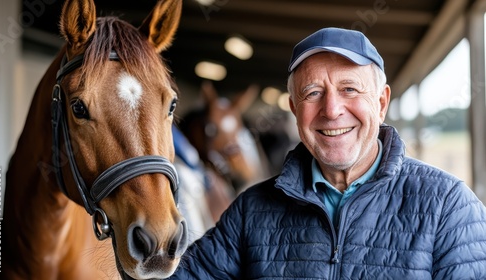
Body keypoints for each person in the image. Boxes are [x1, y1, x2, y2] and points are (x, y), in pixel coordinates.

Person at [168, 27, 486, 279]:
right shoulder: (252, 212)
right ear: (294, 109)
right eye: (313, 93)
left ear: (381, 103)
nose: (332, 110)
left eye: (349, 89)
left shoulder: (449, 207)